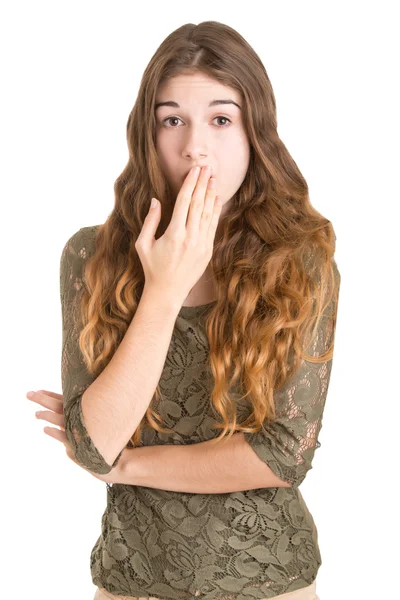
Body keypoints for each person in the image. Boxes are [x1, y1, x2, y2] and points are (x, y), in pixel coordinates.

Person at [29, 20, 340, 600]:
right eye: (172, 120)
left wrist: (129, 467)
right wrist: (164, 289)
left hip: (272, 582)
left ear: (254, 135)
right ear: (148, 134)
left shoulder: (301, 261)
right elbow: (95, 443)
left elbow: (282, 455)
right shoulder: (89, 256)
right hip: (132, 581)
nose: (195, 145)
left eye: (221, 120)